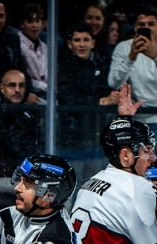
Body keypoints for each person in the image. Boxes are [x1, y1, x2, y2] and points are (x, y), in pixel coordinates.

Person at [108, 4, 157, 159]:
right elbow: (113, 82)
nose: (146, 28)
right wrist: (131, 57)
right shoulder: (124, 48)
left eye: (151, 24)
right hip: (130, 121)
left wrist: (156, 55)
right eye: (142, 25)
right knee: (130, 171)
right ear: (135, 26)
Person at [57, 23, 121, 181]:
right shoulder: (62, 67)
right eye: (77, 40)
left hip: (96, 137)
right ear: (69, 44)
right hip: (72, 138)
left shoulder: (98, 66)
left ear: (93, 42)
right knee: (74, 182)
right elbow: (69, 98)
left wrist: (111, 97)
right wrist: (99, 101)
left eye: (86, 39)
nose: (81, 44)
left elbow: (103, 92)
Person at [0, 68, 40, 185]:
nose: (17, 90)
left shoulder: (28, 116)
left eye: (21, 86)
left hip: (23, 178)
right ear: (2, 89)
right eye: (12, 85)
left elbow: (33, 152)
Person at [18, 3, 47, 103]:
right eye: (30, 22)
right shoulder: (17, 44)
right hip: (29, 94)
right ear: (22, 24)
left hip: (46, 93)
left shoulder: (45, 47)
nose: (34, 25)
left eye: (37, 21)